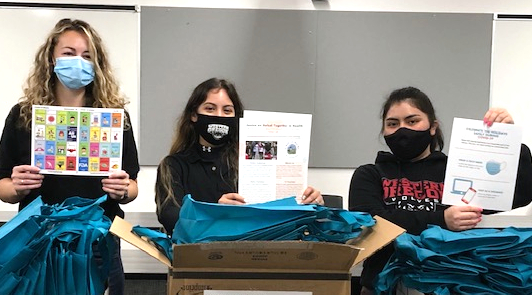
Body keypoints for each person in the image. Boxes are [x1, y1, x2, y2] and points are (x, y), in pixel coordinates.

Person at [0, 18, 140, 295]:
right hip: (38, 241)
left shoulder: (115, 118)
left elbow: (133, 186)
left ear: (97, 64)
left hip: (98, 241)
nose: (78, 61)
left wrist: (124, 189)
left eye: (87, 56)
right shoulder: (24, 116)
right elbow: (3, 188)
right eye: (69, 53)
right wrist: (14, 187)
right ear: (51, 58)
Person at [348, 86, 532, 294]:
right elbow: (370, 227)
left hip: (450, 283)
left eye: (412, 121)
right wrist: (442, 220)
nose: (402, 130)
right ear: (384, 130)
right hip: (383, 284)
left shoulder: (460, 171)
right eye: (392, 124)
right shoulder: (369, 175)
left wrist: (509, 140)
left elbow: (520, 194)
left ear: (432, 127)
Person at [155, 78, 323, 234]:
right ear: (193, 115)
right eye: (210, 108)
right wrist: (216, 213)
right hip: (199, 260)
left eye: (227, 111)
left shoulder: (248, 163)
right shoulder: (173, 166)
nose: (219, 116)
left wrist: (310, 204)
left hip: (256, 255)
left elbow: (279, 215)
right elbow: (171, 218)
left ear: (236, 118)